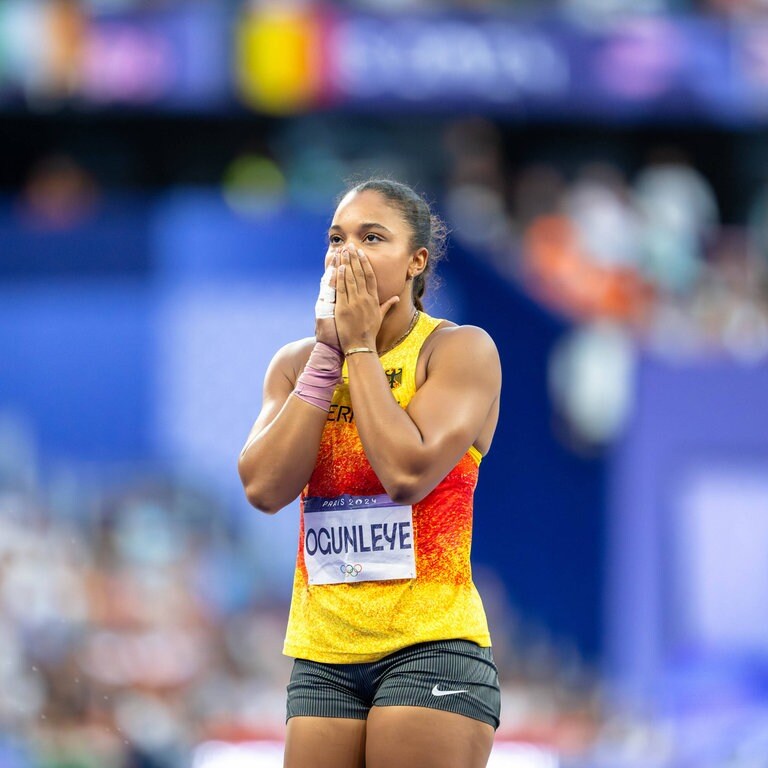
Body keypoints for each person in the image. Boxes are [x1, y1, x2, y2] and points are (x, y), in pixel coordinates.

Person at [238, 179, 502, 768]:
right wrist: (327, 357)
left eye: (372, 236)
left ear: (416, 262)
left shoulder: (457, 352)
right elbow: (262, 488)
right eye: (337, 238)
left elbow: (406, 474)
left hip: (429, 646)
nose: (347, 252)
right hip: (324, 655)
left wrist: (357, 347)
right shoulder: (295, 365)